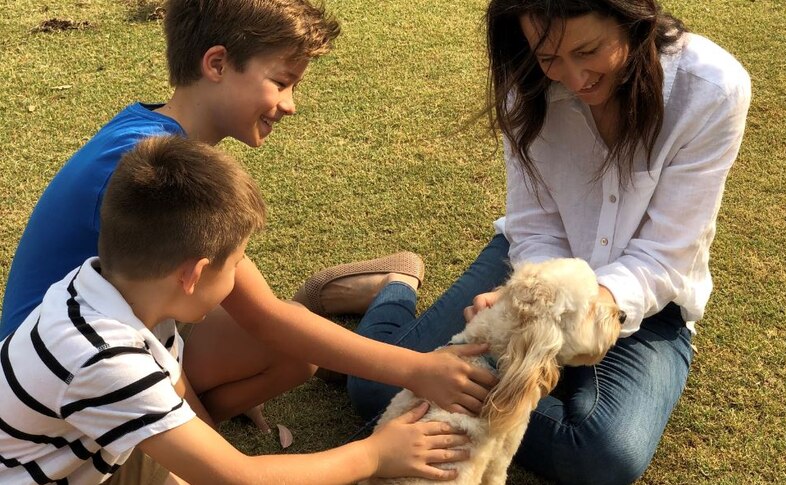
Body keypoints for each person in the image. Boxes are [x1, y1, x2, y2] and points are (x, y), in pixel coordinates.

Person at [0, 0, 496, 430]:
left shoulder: (158, 137)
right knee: (275, 346)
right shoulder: (146, 168)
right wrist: (415, 369)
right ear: (217, 63)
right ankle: (187, 431)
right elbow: (262, 316)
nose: (290, 105)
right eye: (281, 82)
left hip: (125, 331)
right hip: (56, 373)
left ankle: (195, 424)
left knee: (297, 348)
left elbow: (266, 317)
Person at [344, 0, 752, 483]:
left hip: (646, 298)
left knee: (603, 457)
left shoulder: (709, 88)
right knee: (376, 387)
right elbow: (534, 224)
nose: (574, 78)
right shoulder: (529, 85)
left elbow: (665, 254)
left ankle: (535, 381)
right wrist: (525, 302)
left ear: (634, 19)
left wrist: (586, 311)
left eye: (588, 50)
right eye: (549, 58)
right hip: (534, 274)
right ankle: (393, 284)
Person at [0, 136, 472, 485]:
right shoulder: (104, 359)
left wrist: (198, 435)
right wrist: (374, 454)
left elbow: (169, 378)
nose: (239, 275)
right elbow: (239, 478)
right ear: (193, 274)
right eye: (237, 261)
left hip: (87, 454)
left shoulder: (109, 285)